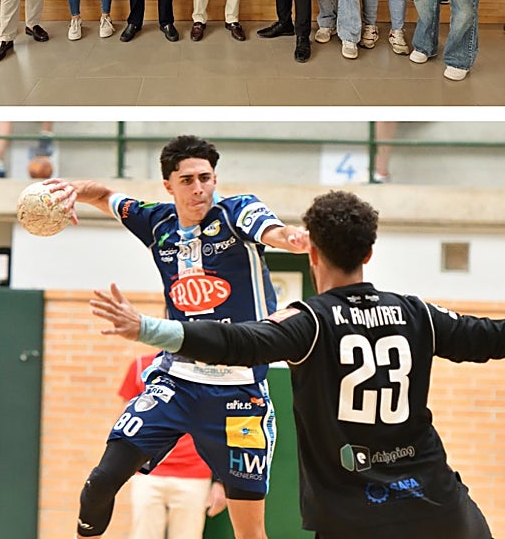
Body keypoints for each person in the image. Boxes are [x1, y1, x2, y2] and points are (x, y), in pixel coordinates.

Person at [91, 189, 503, 539]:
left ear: (314, 254)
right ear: (369, 252)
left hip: (351, 513)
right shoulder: (417, 313)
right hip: (436, 505)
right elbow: (491, 337)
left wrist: (148, 328)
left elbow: (236, 341)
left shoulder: (308, 320)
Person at [43, 134, 311, 539]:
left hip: (240, 394)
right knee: (100, 482)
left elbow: (271, 230)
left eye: (205, 177)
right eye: (186, 180)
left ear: (215, 178)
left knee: (250, 532)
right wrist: (72, 191)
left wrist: (290, 237)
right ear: (169, 185)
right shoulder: (156, 221)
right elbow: (107, 196)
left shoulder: (238, 212)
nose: (198, 187)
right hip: (177, 382)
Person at [118, 353, 227, 539]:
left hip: (194, 474)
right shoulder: (140, 366)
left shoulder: (211, 370)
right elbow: (126, 424)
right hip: (148, 473)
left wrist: (221, 481)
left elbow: (221, 428)